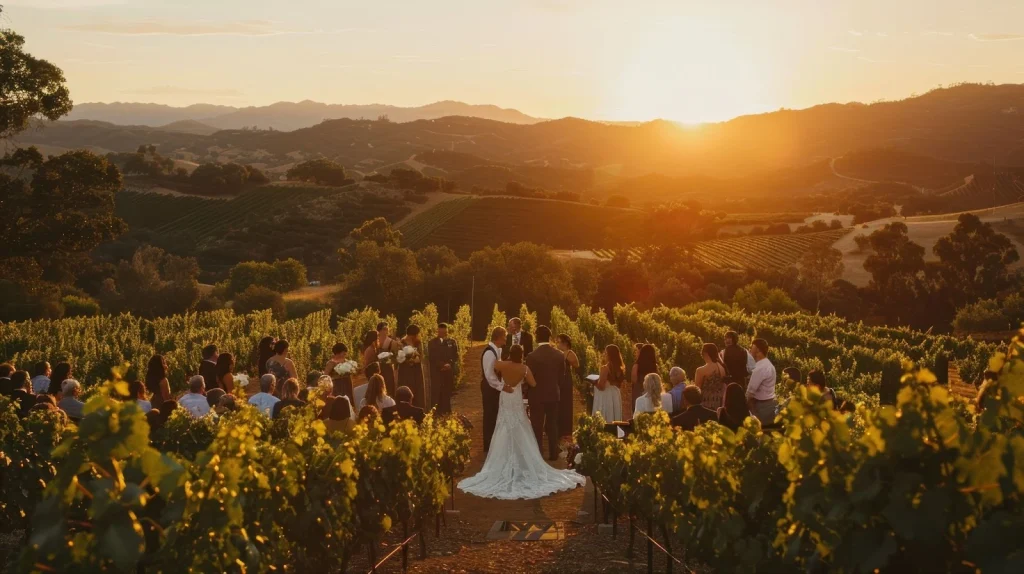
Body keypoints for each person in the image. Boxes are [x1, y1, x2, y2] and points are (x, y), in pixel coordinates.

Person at [458, 341, 585, 500]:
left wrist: (503, 368)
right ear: (522, 356)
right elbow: (533, 383)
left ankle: (502, 456)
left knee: (503, 424)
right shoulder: (524, 369)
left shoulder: (502, 365)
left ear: (510, 354)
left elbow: (493, 366)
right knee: (520, 424)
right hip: (516, 397)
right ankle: (524, 456)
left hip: (505, 397)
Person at [523, 326, 565, 461]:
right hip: (553, 394)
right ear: (549, 337)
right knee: (552, 425)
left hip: (536, 396)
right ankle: (553, 454)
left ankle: (538, 454)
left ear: (536, 337)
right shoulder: (559, 355)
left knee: (537, 426)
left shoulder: (532, 356)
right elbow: (561, 377)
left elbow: (529, 378)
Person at [481, 326, 507, 452]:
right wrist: (501, 387)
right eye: (504, 337)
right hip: (489, 388)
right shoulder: (489, 353)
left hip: (493, 388)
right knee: (489, 415)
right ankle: (488, 444)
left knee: (494, 414)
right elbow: (489, 375)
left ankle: (492, 442)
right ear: (498, 338)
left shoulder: (496, 350)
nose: (505, 340)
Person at [428, 323, 458, 415]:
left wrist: (449, 364)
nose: (443, 334)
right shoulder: (432, 343)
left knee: (447, 392)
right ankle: (436, 412)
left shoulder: (452, 342)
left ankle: (447, 412)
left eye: (444, 332)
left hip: (448, 371)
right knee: (437, 392)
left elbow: (455, 355)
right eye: (440, 332)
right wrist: (441, 365)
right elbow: (432, 357)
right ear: (437, 331)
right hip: (437, 372)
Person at [746, 339, 777, 425]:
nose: (749, 349)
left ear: (758, 350)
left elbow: (750, 393)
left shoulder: (760, 368)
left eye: (751, 347)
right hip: (770, 404)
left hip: (761, 407)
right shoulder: (768, 364)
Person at [592, 344, 624, 423]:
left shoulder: (605, 368)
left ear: (609, 355)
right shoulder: (620, 369)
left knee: (606, 416)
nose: (604, 355)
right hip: (615, 395)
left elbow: (601, 387)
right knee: (615, 415)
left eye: (606, 353)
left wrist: (594, 382)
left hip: (606, 396)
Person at [556, 334, 579, 439]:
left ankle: (566, 431)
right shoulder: (557, 352)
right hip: (558, 380)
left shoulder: (570, 353)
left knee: (566, 404)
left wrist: (565, 357)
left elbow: (576, 364)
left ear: (565, 343)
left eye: (559, 342)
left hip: (566, 381)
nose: (557, 344)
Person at [397, 325, 425, 409]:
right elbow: (399, 358)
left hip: (416, 371)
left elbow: (421, 356)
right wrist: (409, 360)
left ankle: (418, 409)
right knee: (407, 388)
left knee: (418, 390)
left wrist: (417, 359)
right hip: (405, 371)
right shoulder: (402, 343)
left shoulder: (418, 343)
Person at [694, 343, 727, 410]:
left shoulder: (700, 370)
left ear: (705, 354)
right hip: (719, 401)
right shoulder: (722, 368)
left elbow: (697, 389)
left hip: (706, 402)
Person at [631, 344, 658, 413]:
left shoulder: (636, 366)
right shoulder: (654, 366)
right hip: (651, 391)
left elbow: (634, 380)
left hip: (639, 390)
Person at [376, 322, 400, 396]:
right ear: (379, 330)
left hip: (387, 369)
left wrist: (388, 359)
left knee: (389, 390)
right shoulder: (376, 342)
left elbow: (396, 359)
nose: (386, 331)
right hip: (377, 369)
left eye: (387, 329)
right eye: (384, 329)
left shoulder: (391, 342)